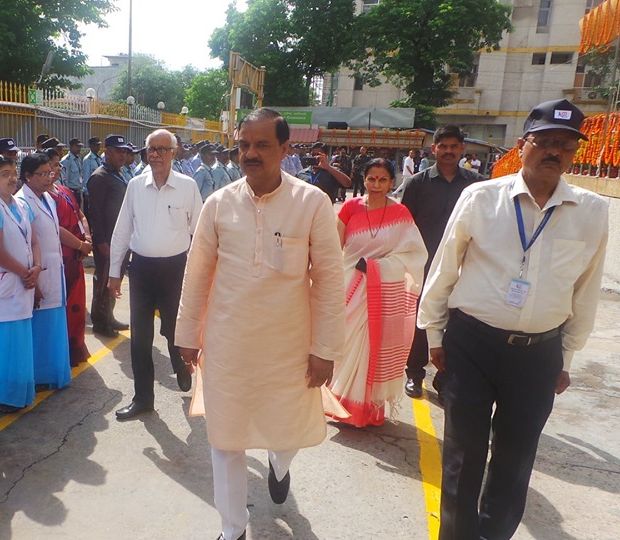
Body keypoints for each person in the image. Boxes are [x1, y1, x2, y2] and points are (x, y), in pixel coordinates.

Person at [418, 99, 608, 540]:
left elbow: (586, 289)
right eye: (544, 141)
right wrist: (434, 335)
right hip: (471, 344)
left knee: (516, 457)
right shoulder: (481, 198)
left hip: (539, 353)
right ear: (523, 145)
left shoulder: (591, 211)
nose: (554, 151)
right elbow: (445, 267)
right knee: (464, 454)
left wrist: (566, 358)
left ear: (574, 153)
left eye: (565, 145)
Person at [175, 108, 345, 540]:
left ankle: (279, 463)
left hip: (289, 346)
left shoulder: (312, 202)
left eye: (262, 145)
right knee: (225, 438)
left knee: (285, 432)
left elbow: (329, 280)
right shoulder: (218, 203)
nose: (250, 153)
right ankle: (233, 528)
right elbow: (197, 274)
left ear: (285, 149)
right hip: (228, 344)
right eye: (244, 145)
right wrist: (187, 334)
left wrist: (325, 348)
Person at [108, 129, 202, 420]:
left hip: (175, 270)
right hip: (142, 270)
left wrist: (200, 275)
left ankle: (181, 365)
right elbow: (122, 229)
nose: (156, 154)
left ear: (174, 152)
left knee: (175, 329)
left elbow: (200, 235)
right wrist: (114, 272)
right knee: (140, 338)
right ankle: (143, 399)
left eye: (162, 149)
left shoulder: (187, 186)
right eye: (151, 149)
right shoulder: (136, 186)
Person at [328, 158, 426, 427]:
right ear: (364, 179)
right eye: (371, 178)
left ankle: (364, 409)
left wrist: (377, 267)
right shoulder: (350, 207)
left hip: (379, 289)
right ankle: (337, 401)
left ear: (392, 183)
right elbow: (333, 248)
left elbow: (415, 254)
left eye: (383, 179)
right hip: (348, 286)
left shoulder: (400, 213)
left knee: (371, 349)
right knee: (344, 345)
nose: (376, 184)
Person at [400, 125, 483, 399]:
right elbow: (404, 226)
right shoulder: (417, 184)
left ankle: (445, 379)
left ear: (462, 149)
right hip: (424, 264)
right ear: (433, 149)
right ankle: (414, 374)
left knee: (457, 322)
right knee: (421, 320)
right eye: (443, 146)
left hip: (465, 265)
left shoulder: (477, 185)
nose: (448, 151)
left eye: (453, 146)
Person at [0, 156, 39, 413]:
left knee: (20, 345)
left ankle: (19, 394)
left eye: (13, 173)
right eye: (4, 174)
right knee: (3, 346)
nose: (12, 178)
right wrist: (25, 272)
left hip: (24, 282)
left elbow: (33, 240)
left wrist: (36, 268)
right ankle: (1, 396)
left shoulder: (21, 204)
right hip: (7, 283)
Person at [17, 153, 72, 390]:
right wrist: (36, 283)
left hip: (54, 270)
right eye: (43, 174)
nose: (49, 177)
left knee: (54, 329)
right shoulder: (22, 202)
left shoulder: (48, 197)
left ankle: (53, 374)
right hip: (39, 274)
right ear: (28, 176)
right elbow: (27, 245)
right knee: (40, 331)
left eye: (50, 172)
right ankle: (39, 377)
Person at [45, 149, 93, 367]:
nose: (57, 169)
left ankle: (76, 347)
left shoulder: (63, 190)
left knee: (77, 306)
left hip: (76, 257)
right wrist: (80, 245)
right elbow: (56, 228)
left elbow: (80, 214)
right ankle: (64, 353)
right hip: (62, 259)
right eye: (53, 165)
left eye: (58, 165)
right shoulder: (44, 197)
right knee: (63, 308)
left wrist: (87, 238)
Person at [86, 134, 132, 337]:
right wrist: (101, 241)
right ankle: (100, 321)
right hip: (107, 239)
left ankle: (109, 316)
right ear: (107, 152)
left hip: (120, 237)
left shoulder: (118, 173)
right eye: (118, 151)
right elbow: (94, 213)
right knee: (104, 279)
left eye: (124, 152)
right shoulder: (100, 177)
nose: (122, 155)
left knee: (115, 278)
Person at [59, 138, 86, 208]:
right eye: (77, 146)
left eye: (80, 146)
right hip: (71, 191)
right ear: (71, 147)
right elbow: (65, 179)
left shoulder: (77, 159)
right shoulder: (66, 160)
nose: (79, 148)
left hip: (78, 191)